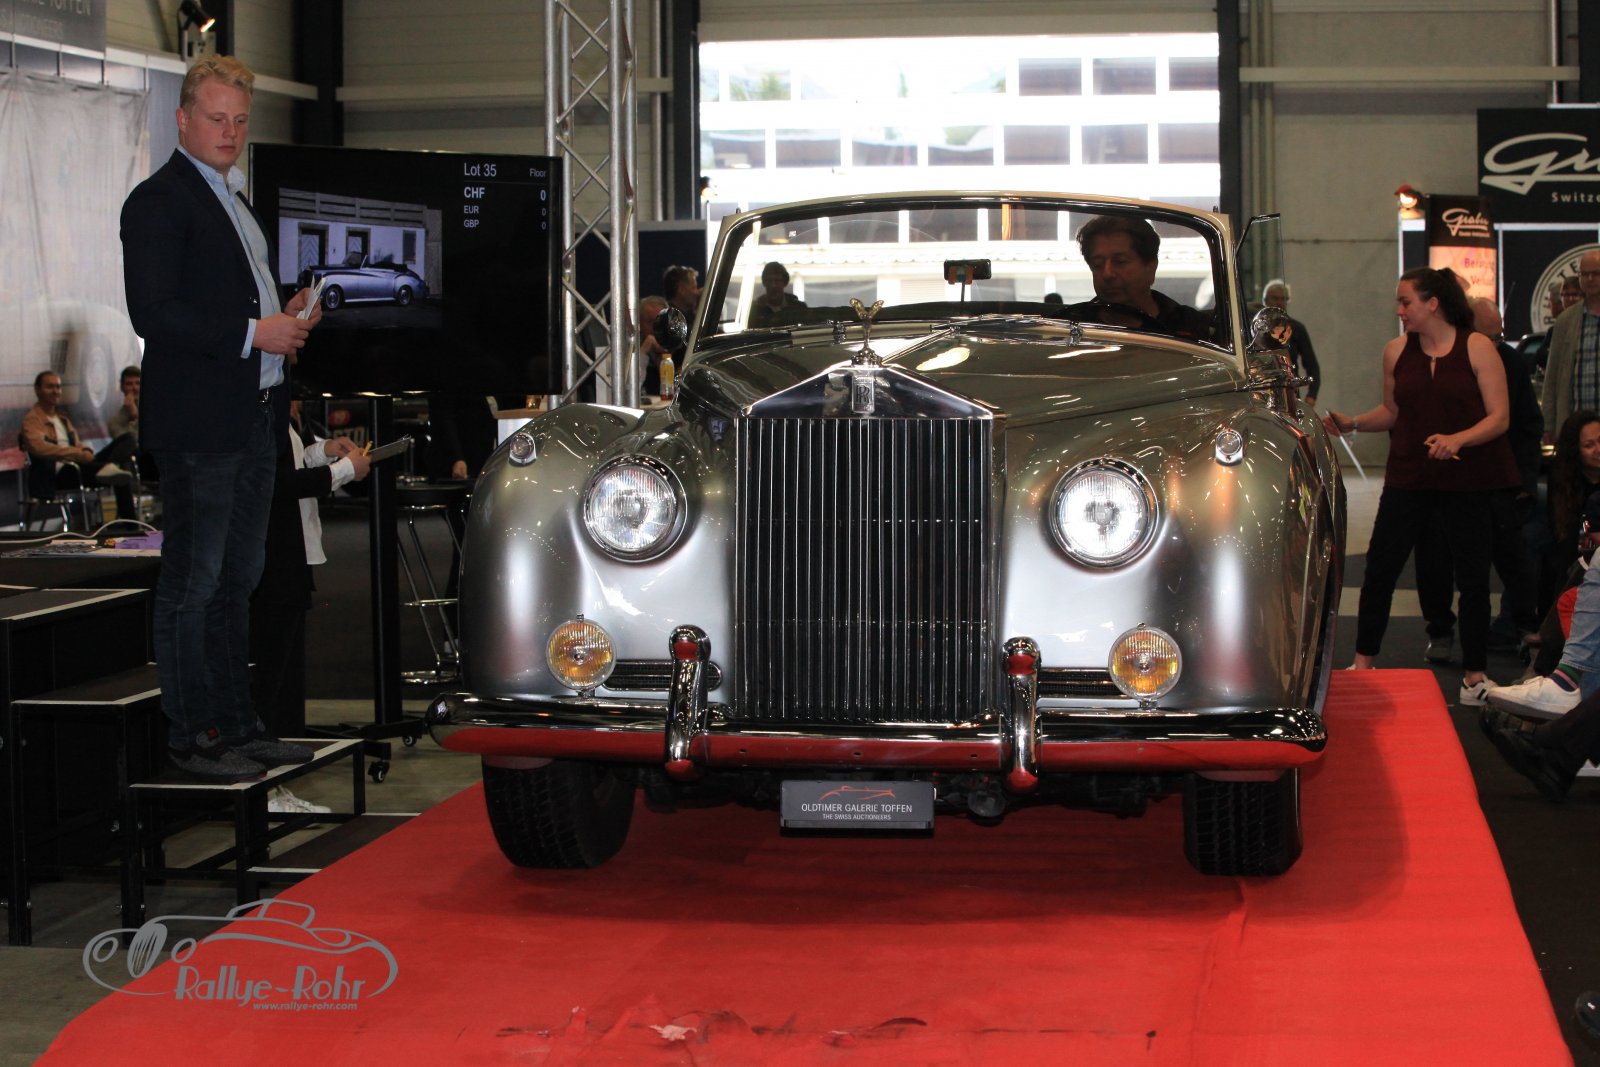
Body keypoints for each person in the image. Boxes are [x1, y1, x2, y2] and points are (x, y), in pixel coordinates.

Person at [121, 55, 323, 783]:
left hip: (253, 415)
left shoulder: (235, 202)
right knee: (195, 582)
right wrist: (253, 332)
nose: (230, 131)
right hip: (202, 425)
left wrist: (283, 315)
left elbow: (235, 302)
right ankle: (193, 734)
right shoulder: (159, 200)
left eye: (239, 119)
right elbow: (153, 312)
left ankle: (237, 724)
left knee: (239, 580)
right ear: (182, 119)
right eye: (216, 118)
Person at [1322, 267, 1520, 705]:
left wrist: (1458, 439)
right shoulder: (1396, 351)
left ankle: (1474, 676)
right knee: (1380, 570)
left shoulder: (1478, 346)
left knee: (1473, 578)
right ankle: (1363, 662)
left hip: (1468, 479)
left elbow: (1500, 417)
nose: (1399, 310)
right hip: (1408, 476)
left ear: (1433, 303)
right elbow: (1393, 411)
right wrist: (1354, 423)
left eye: (1405, 301)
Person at [251, 397, 369, 813]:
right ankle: (260, 790)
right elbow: (276, 482)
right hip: (272, 556)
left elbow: (288, 463)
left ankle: (269, 785)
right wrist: (343, 471)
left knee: (281, 679)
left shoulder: (273, 405)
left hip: (288, 554)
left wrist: (322, 452)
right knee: (267, 680)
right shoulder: (257, 405)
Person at [1414, 297, 1545, 662]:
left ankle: (1523, 627)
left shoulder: (1510, 362)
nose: (1495, 345)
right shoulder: (1438, 360)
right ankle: (1440, 630)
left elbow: (1527, 426)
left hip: (1498, 479)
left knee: (1511, 560)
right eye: (1489, 338)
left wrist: (1523, 483)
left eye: (1500, 337)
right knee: (1439, 560)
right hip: (1446, 479)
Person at [1069, 214, 1212, 341]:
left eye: (1120, 262)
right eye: (1098, 264)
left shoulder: (1190, 326)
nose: (1107, 273)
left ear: (1151, 267)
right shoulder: (1070, 325)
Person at [20, 370, 137, 520]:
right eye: (50, 387)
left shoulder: (62, 419)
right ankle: (129, 521)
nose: (55, 391)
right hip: (58, 473)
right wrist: (75, 453)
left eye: (58, 387)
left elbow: (78, 444)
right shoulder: (32, 420)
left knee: (127, 440)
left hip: (81, 465)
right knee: (120, 470)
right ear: (38, 390)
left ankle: (108, 467)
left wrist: (85, 451)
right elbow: (39, 448)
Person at [1542, 250, 1600, 444]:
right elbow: (1552, 376)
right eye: (1585, 274)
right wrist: (1549, 424)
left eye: (1596, 273)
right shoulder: (1566, 320)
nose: (1590, 279)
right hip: (1575, 426)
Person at [1261, 279, 1321, 402]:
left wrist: (1312, 395)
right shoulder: (1257, 329)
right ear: (1265, 301)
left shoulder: (1296, 328)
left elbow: (1312, 365)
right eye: (1275, 298)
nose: (1279, 303)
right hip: (1262, 390)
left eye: (1283, 299)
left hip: (1289, 391)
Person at [748, 261, 806, 328]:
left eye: (777, 281)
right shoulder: (754, 310)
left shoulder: (798, 308)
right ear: (764, 282)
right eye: (769, 281)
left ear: (785, 282)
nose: (773, 285)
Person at [638, 294, 668, 397]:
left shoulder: (679, 347)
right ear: (639, 322)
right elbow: (630, 387)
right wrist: (644, 351)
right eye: (650, 322)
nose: (655, 328)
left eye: (659, 322)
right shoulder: (632, 347)